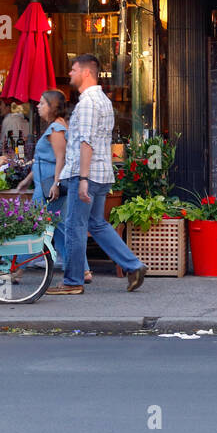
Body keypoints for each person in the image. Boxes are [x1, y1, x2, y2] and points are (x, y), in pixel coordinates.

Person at [48, 54, 146, 295]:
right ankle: (133, 265)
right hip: (100, 174)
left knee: (74, 226)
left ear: (86, 73)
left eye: (73, 70)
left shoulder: (89, 103)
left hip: (87, 175)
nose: (70, 74)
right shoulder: (102, 100)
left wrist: (82, 179)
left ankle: (72, 282)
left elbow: (86, 142)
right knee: (96, 223)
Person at [16, 90, 81, 278]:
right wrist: (27, 180)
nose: (38, 106)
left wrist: (56, 183)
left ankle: (18, 267)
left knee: (33, 224)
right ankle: (81, 269)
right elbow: (43, 160)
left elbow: (61, 158)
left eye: (42, 103)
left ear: (52, 107)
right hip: (45, 184)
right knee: (60, 230)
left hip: (47, 188)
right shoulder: (55, 127)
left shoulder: (57, 128)